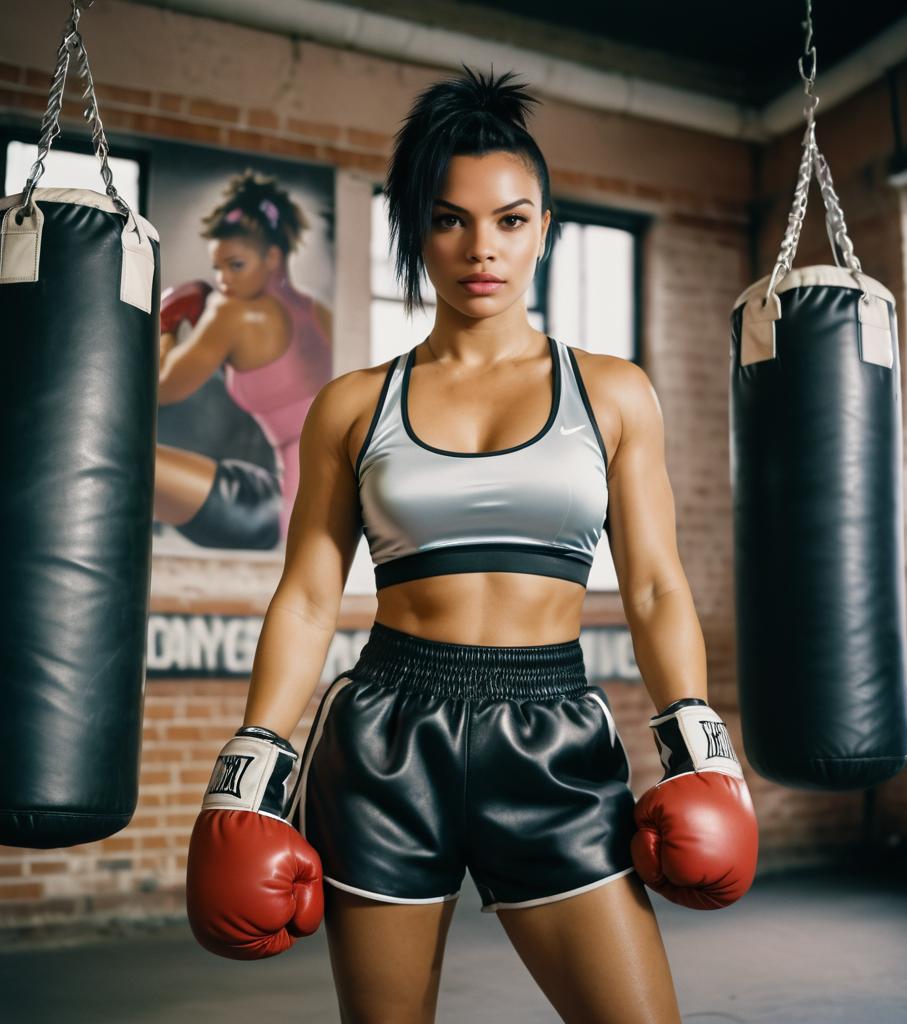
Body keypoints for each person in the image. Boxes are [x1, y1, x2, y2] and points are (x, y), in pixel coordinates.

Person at [186, 65, 758, 1023]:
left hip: (551, 735)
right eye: (450, 219)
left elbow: (655, 586)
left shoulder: (612, 392)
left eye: (510, 219)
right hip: (386, 735)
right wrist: (247, 768)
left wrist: (702, 748)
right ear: (416, 228)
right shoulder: (354, 404)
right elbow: (308, 596)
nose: (480, 248)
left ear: (544, 226)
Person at [155, 170, 334, 549]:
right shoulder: (320, 316)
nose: (223, 281)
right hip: (316, 505)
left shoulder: (235, 313)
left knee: (121, 459)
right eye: (217, 267)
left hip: (280, 514)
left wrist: (166, 323)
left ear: (272, 256)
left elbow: (157, 390)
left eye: (235, 265)